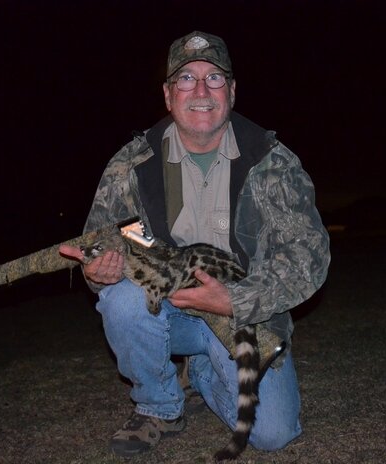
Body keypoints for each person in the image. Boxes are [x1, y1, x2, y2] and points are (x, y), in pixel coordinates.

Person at [60, 30, 330, 457]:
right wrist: (97, 273)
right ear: (168, 96)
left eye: (214, 78)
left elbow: (309, 256)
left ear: (233, 91)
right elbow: (103, 239)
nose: (201, 91)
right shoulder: (131, 164)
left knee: (274, 434)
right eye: (186, 78)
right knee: (120, 300)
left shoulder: (271, 160)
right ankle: (159, 408)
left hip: (244, 311)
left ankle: (202, 374)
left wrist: (237, 299)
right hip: (171, 309)